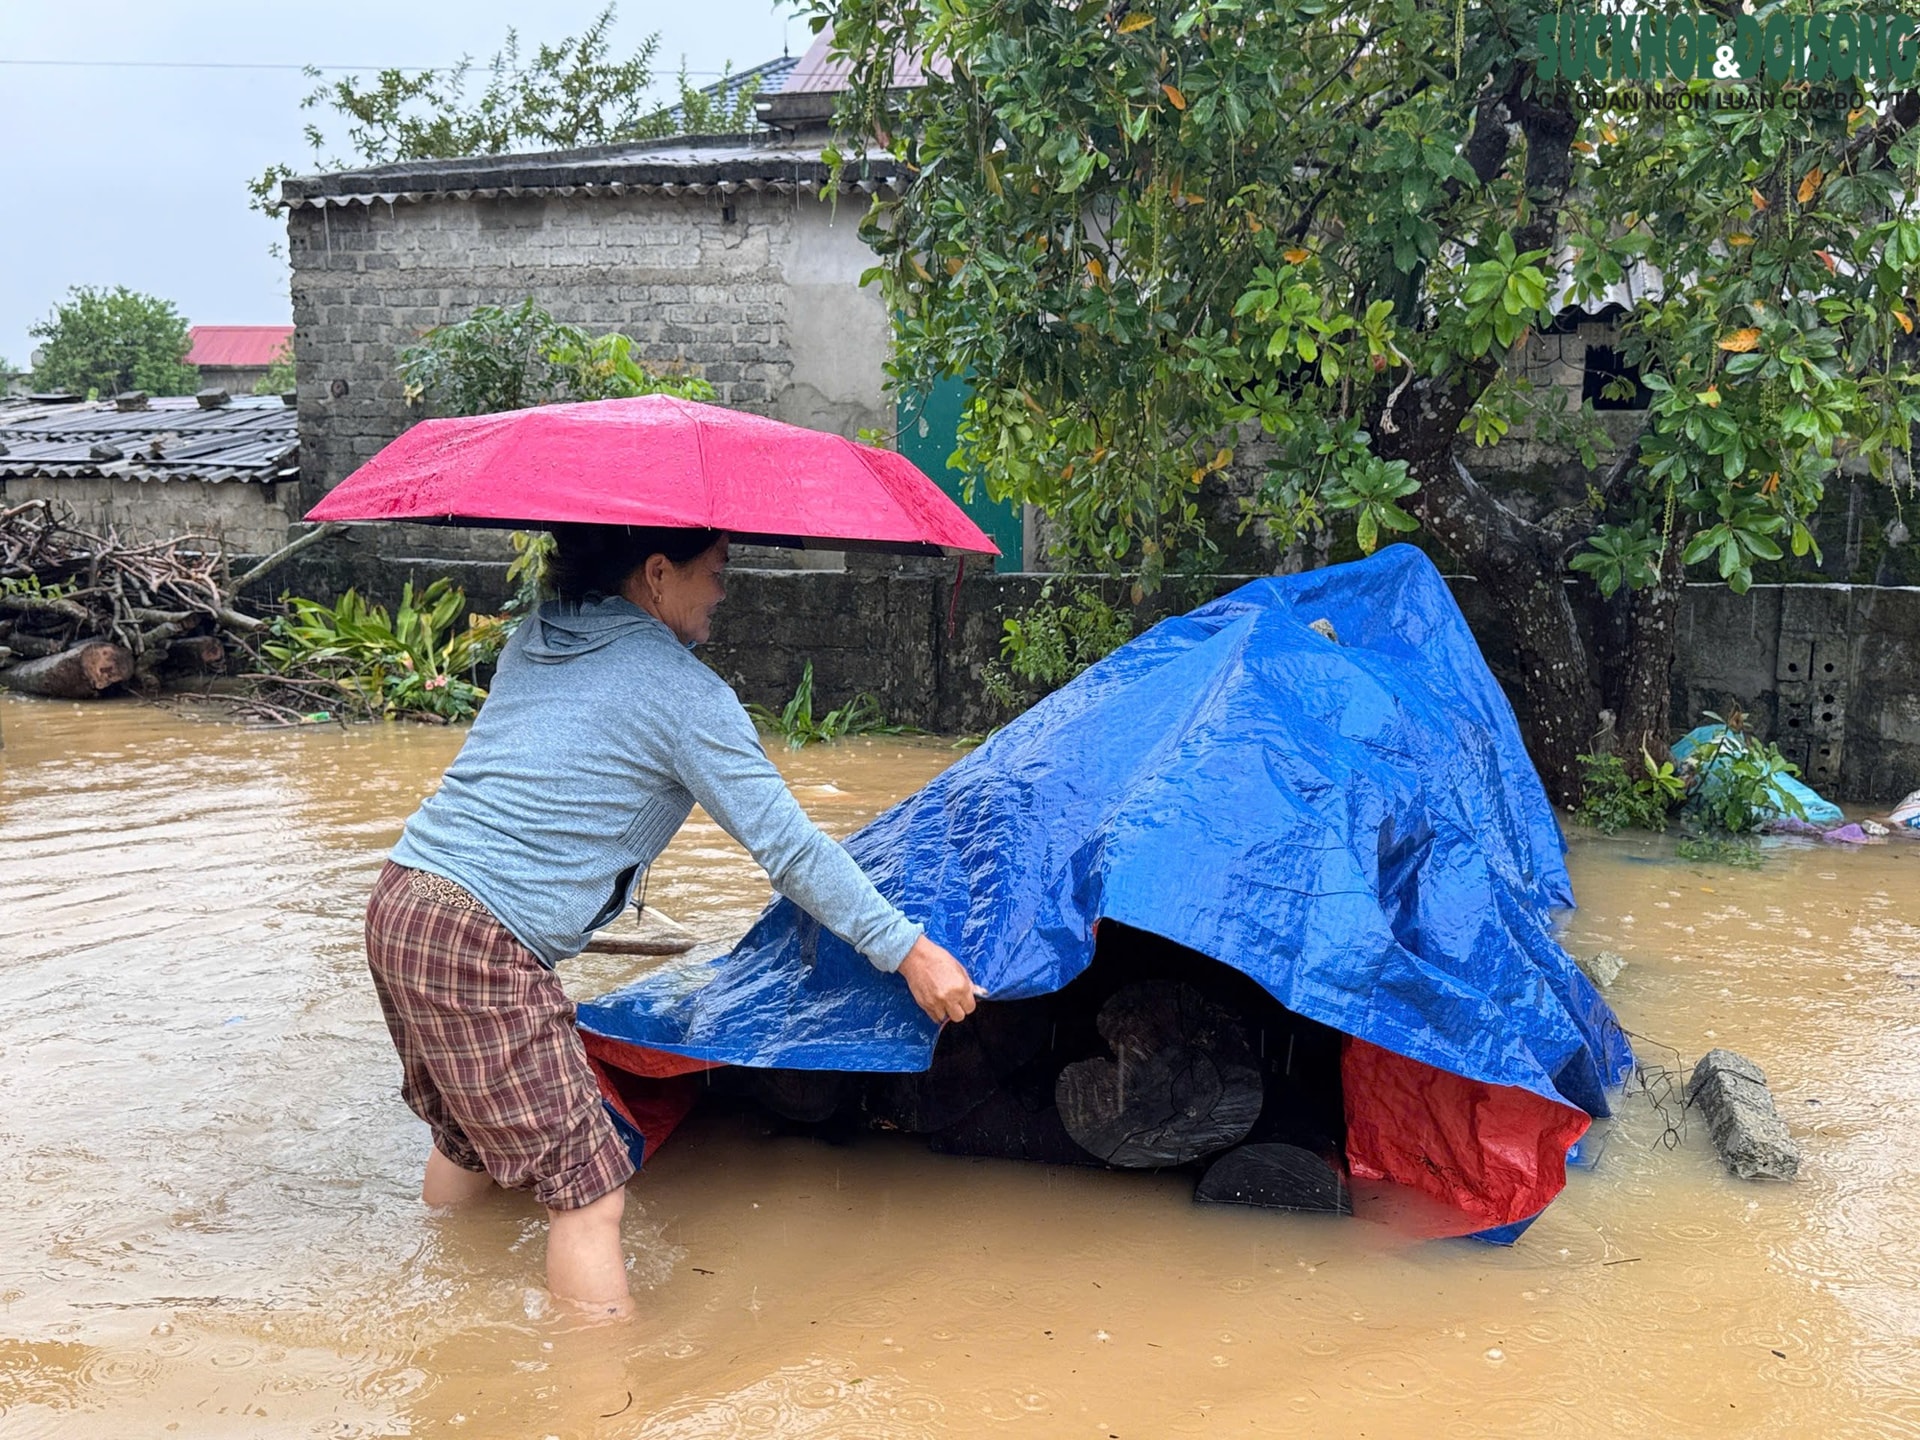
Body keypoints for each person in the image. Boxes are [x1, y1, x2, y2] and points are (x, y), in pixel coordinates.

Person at [364, 524, 979, 1319]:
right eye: (716, 571)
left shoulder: (537, 634)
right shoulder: (684, 696)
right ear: (658, 573)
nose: (725, 590)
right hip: (482, 937)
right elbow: (790, 850)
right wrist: (909, 950)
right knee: (590, 1191)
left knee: (465, 1138)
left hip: (405, 901)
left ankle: (442, 1293)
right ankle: (603, 1396)